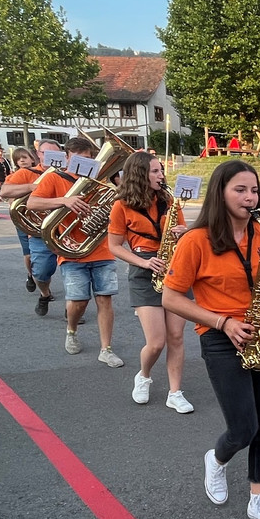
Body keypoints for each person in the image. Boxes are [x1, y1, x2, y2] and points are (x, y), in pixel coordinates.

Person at [162, 159, 260, 519]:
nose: (250, 197)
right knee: (243, 427)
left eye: (254, 190)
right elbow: (171, 297)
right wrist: (222, 321)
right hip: (220, 335)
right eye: (240, 189)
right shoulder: (196, 240)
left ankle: (258, 500)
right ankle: (216, 459)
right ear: (220, 192)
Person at [108, 151, 193, 413]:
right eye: (155, 171)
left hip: (174, 267)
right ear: (140, 175)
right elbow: (114, 246)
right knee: (156, 342)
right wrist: (143, 262)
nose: (161, 175)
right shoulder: (121, 205)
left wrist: (185, 231)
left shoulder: (169, 200)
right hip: (144, 269)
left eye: (161, 171)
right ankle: (144, 375)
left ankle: (175, 393)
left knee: (176, 337)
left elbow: (184, 233)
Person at [28, 137, 124, 366]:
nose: (85, 162)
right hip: (72, 250)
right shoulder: (54, 178)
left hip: (101, 249)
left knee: (105, 299)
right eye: (78, 158)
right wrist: (64, 201)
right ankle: (71, 330)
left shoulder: (100, 180)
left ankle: (106, 349)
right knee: (79, 301)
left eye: (89, 158)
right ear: (68, 158)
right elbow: (32, 203)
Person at [0, 139, 65, 316]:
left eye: (56, 154)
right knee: (42, 272)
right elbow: (4, 192)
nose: (52, 158)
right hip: (39, 230)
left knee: (74, 271)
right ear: (39, 155)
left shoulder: (68, 173)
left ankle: (73, 307)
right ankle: (45, 293)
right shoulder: (28, 173)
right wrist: (33, 187)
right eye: (46, 153)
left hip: (66, 229)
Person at [8, 147, 38, 291]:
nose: (22, 160)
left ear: (32, 159)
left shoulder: (42, 174)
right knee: (28, 253)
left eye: (25, 157)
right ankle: (30, 275)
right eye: (18, 159)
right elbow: (8, 195)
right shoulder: (15, 176)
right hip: (23, 219)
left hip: (40, 218)